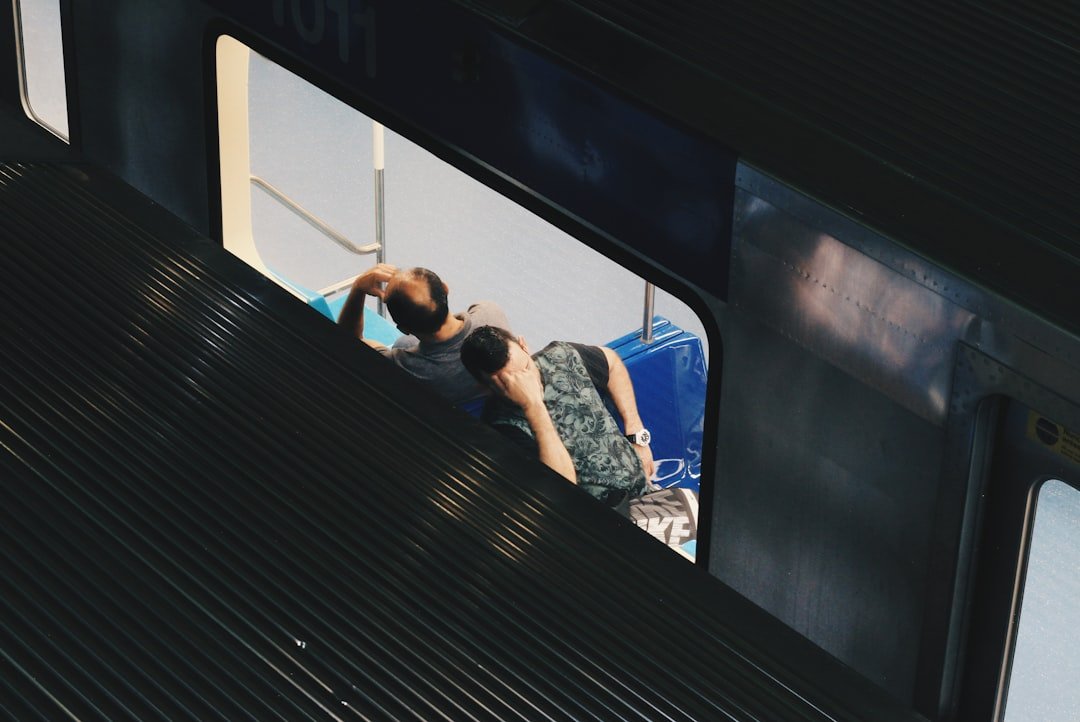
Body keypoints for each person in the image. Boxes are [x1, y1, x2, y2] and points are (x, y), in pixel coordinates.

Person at [460, 325, 655, 509]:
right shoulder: (501, 428)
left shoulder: (561, 356)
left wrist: (636, 433)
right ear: (485, 387)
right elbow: (563, 490)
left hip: (647, 493)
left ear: (524, 345)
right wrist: (534, 406)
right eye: (511, 382)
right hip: (605, 518)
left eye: (526, 368)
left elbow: (611, 362)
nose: (527, 382)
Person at [338, 264, 510, 406]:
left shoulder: (405, 366)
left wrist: (358, 288)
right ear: (445, 288)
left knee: (403, 344)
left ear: (404, 328)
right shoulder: (490, 314)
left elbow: (348, 342)